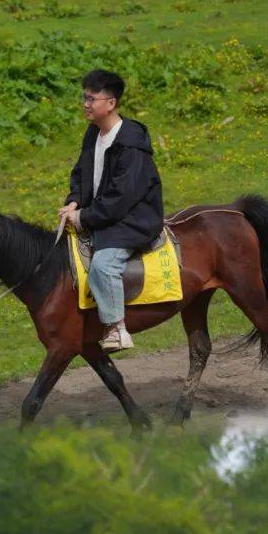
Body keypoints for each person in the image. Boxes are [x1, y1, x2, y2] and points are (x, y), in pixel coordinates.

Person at [59, 70, 164, 353]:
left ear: (111, 103)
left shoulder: (130, 146)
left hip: (133, 218)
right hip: (104, 213)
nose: (86, 104)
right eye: (85, 97)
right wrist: (74, 201)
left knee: (103, 267)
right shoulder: (93, 133)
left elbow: (120, 198)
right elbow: (81, 174)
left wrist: (83, 218)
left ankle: (117, 328)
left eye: (91, 98)